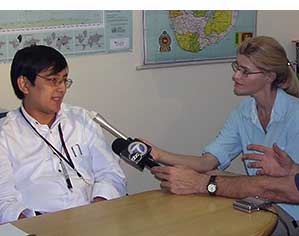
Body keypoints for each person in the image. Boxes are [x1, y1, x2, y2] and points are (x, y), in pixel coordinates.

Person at [149, 36, 299, 235]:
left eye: (245, 71)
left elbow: (290, 187)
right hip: (258, 204)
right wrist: (158, 154)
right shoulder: (243, 112)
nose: (236, 76)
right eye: (236, 67)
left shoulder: (294, 115)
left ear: (269, 76)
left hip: (290, 214)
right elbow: (207, 163)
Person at [0, 45, 127, 223]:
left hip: (95, 219)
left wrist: (99, 206)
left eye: (64, 80)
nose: (61, 89)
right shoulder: (5, 135)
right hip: (39, 226)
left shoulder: (82, 120)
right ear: (24, 84)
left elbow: (111, 174)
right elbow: (4, 203)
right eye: (53, 80)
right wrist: (37, 225)